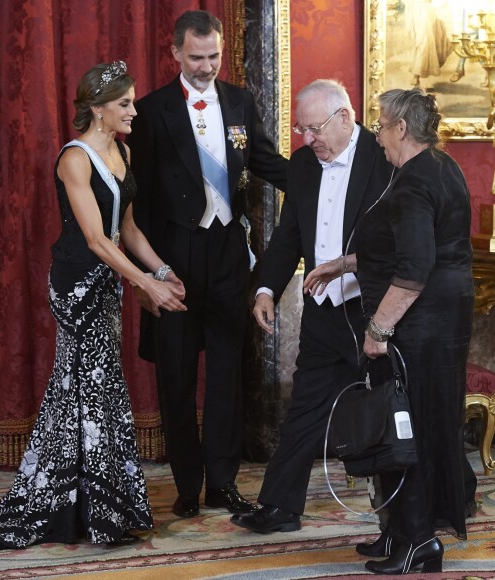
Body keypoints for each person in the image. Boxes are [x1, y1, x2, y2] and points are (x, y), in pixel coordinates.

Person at [0, 61, 187, 553]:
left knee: (93, 390)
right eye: (124, 104)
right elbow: (94, 240)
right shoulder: (75, 159)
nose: (133, 111)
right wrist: (147, 283)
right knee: (87, 386)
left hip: (107, 283)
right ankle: (87, 507)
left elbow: (127, 231)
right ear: (98, 109)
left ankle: (90, 504)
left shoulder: (121, 150)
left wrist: (164, 273)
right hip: (78, 285)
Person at [126, 10, 288, 519]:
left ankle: (221, 482)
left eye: (214, 56)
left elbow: (263, 159)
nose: (206, 66)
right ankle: (187, 486)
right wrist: (151, 274)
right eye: (196, 57)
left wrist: (318, 179)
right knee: (175, 376)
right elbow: (141, 199)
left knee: (226, 372)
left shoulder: (240, 100)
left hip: (226, 255)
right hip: (173, 255)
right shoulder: (151, 111)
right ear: (175, 53)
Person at [306, 87, 475, 574]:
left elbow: (416, 267)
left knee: (409, 427)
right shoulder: (440, 167)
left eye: (381, 126)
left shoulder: (415, 181)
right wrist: (344, 263)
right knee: (406, 424)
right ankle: (398, 531)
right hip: (437, 321)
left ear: (402, 127)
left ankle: (418, 539)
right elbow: (408, 246)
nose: (376, 135)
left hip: (418, 328)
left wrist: (379, 328)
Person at [230, 79, 394, 534]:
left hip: (374, 312)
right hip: (323, 314)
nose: (308, 139)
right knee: (304, 408)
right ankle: (280, 508)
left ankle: (416, 512)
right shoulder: (303, 165)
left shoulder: (383, 158)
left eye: (314, 128)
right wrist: (266, 289)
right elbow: (289, 237)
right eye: (302, 130)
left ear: (345, 117)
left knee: (392, 407)